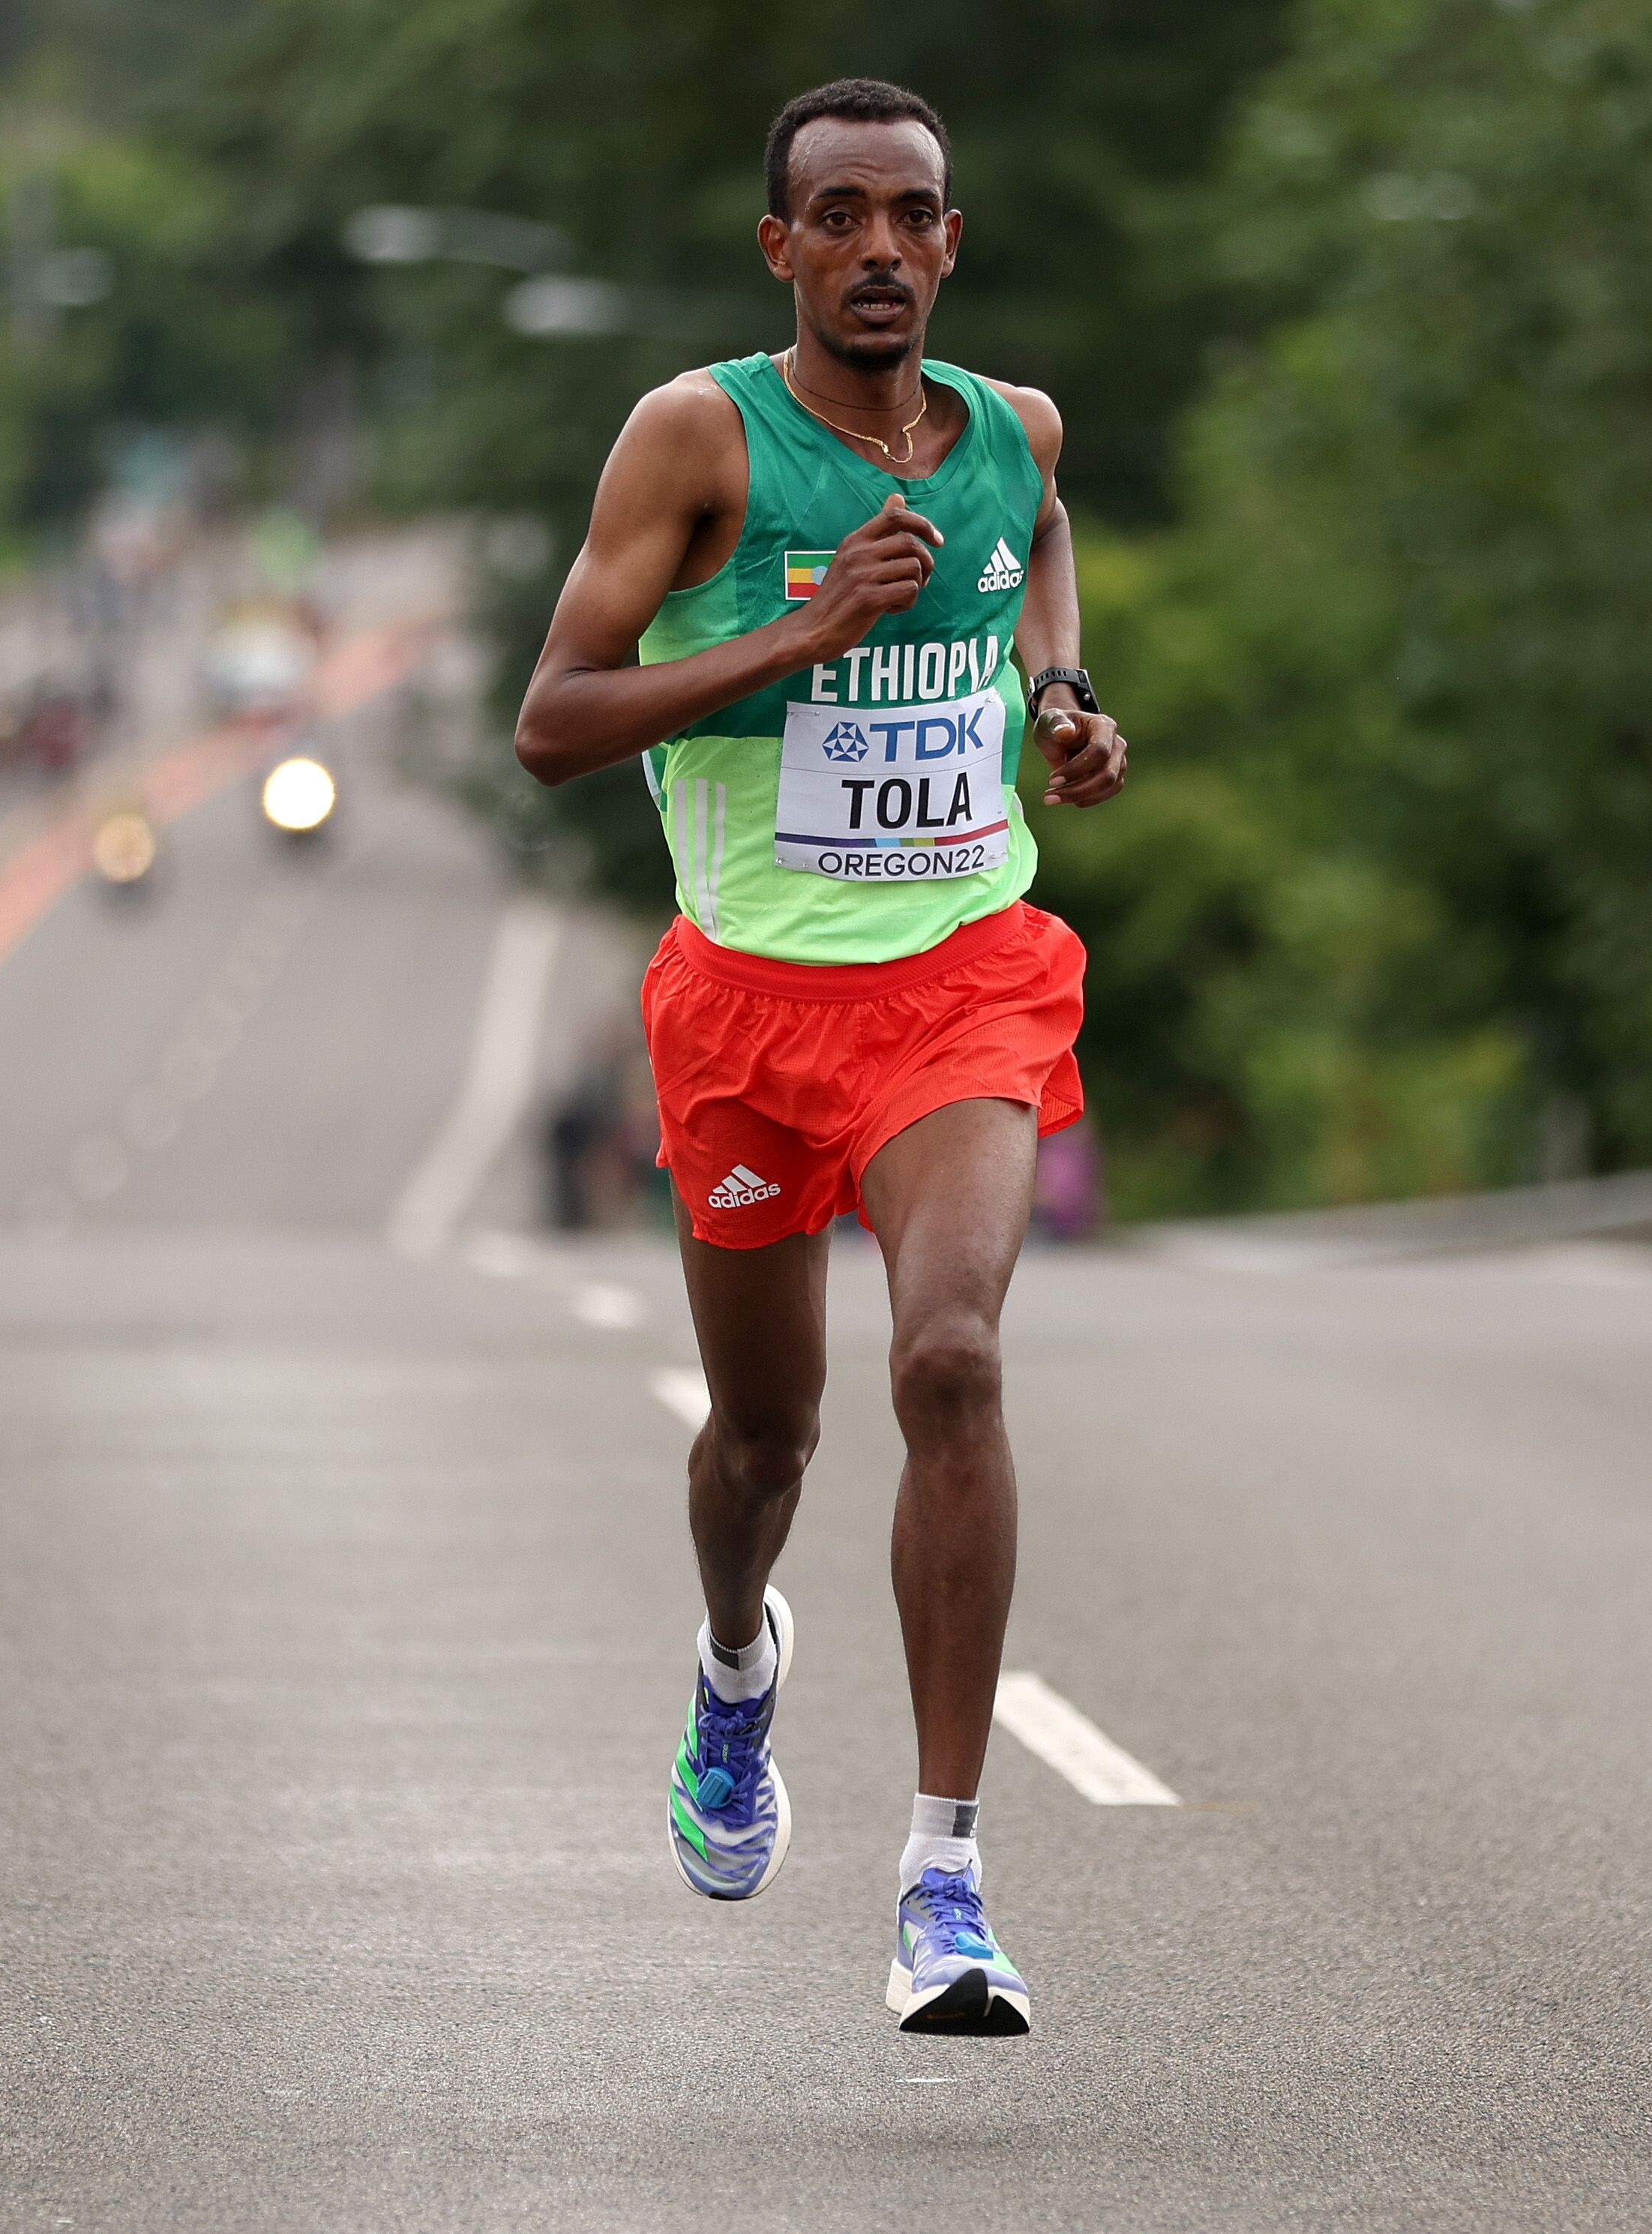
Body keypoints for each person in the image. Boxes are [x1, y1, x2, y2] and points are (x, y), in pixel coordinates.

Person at [511, 78, 1129, 2039]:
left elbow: (1038, 535)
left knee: (948, 1359)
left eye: (910, 214)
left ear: (950, 242)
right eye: (838, 215)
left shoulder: (1010, 430)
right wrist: (791, 639)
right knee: (758, 1442)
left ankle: (943, 1878)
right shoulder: (696, 439)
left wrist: (1058, 689)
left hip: (961, 975)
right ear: (777, 246)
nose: (878, 248)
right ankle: (729, 1665)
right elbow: (550, 719)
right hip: (749, 1006)